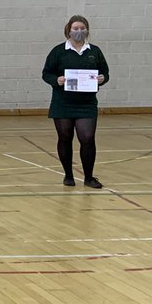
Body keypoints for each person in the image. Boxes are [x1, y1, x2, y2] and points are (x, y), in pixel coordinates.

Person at [41, 15, 109, 189]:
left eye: (82, 28)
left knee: (87, 137)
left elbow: (105, 73)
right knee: (65, 137)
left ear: (87, 30)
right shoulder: (58, 51)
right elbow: (46, 73)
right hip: (62, 102)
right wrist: (57, 80)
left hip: (86, 103)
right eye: (76, 28)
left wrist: (102, 78)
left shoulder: (94, 51)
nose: (79, 31)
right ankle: (68, 175)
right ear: (68, 30)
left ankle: (88, 177)